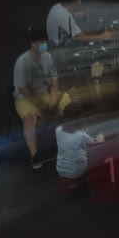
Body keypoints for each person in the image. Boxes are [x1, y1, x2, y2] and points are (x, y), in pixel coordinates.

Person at [12, 28, 72, 169]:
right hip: (25, 97)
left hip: (44, 94)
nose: (44, 44)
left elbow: (54, 84)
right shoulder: (22, 61)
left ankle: (70, 142)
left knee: (68, 103)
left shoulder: (48, 57)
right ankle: (35, 155)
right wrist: (40, 105)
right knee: (29, 119)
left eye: (45, 41)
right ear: (33, 43)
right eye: (41, 41)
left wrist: (52, 104)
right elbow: (22, 89)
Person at [55, 114, 104, 192]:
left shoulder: (58, 130)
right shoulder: (81, 135)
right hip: (76, 172)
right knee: (99, 156)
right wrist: (100, 136)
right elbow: (95, 147)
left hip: (60, 169)